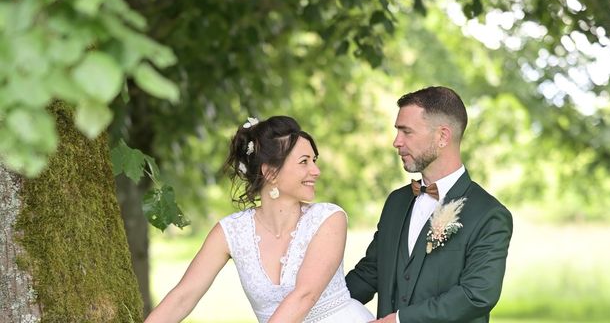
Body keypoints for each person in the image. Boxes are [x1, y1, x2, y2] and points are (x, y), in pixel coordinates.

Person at [144, 115, 374, 323]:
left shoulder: (329, 218)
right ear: (270, 172)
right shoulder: (231, 231)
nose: (316, 171)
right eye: (304, 162)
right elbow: (183, 297)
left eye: (314, 160)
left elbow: (305, 296)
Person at [346, 86, 513, 323]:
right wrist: (310, 304)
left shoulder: (489, 214)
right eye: (397, 132)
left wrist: (399, 320)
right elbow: (369, 273)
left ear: (442, 136)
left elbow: (476, 295)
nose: (396, 142)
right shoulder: (396, 202)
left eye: (406, 132)